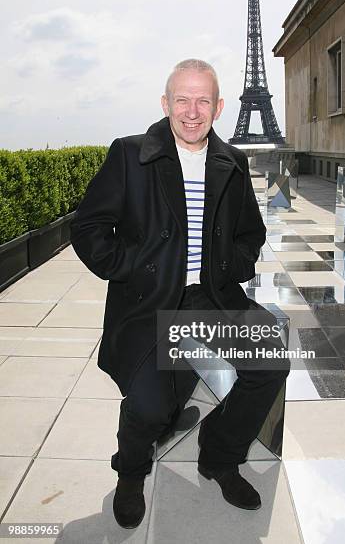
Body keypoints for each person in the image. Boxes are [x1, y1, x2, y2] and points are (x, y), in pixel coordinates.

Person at [70, 59, 290, 529]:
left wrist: (230, 268)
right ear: (166, 103)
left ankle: (219, 454)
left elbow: (250, 233)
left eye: (203, 100)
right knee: (150, 408)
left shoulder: (231, 161)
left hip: (210, 299)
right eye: (183, 100)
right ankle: (130, 471)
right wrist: (131, 268)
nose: (193, 111)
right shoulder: (131, 154)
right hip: (150, 302)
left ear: (220, 106)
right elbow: (88, 227)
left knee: (271, 358)